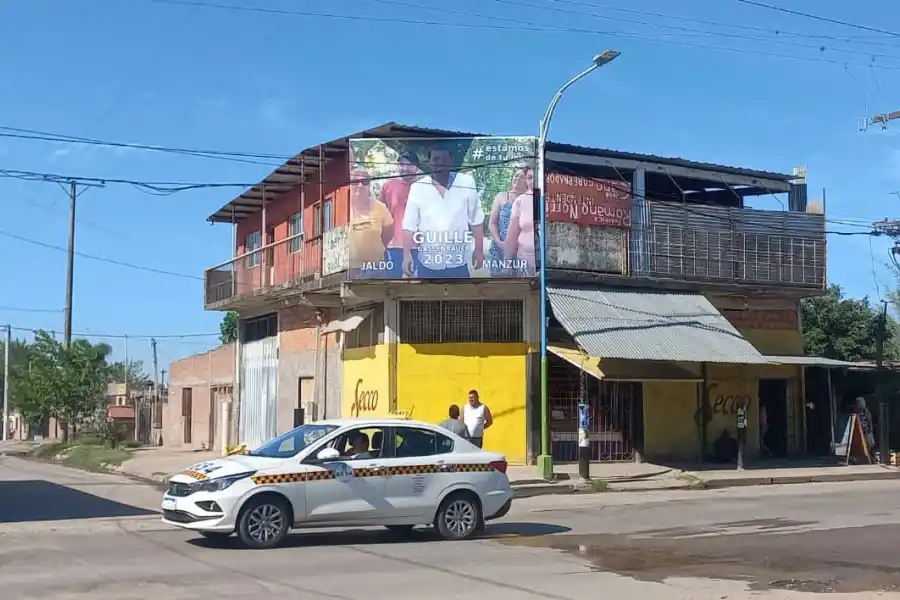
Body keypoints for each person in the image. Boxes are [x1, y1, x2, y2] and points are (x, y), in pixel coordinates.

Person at [402, 145, 485, 278]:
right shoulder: (418, 188)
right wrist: (406, 255)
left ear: (450, 161)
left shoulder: (466, 182)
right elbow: (408, 225)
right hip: (428, 262)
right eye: (436, 159)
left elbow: (476, 220)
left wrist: (479, 250)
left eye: (444, 159)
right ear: (429, 162)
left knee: (461, 298)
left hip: (458, 262)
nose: (440, 163)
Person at [380, 151, 420, 278]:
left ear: (416, 167)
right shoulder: (388, 186)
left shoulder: (426, 186)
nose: (405, 168)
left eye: (409, 164)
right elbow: (380, 216)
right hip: (394, 245)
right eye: (402, 164)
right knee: (395, 286)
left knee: (419, 287)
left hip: (419, 246)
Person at [348, 169, 394, 279]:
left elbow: (388, 234)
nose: (360, 185)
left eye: (365, 182)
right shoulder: (342, 208)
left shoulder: (380, 208)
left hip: (376, 269)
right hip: (350, 270)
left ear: (369, 186)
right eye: (355, 182)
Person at [488, 164, 532, 277]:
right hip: (499, 248)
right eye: (516, 175)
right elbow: (492, 223)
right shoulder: (501, 196)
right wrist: (498, 241)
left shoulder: (528, 200)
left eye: (521, 177)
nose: (517, 178)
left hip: (519, 251)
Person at [502, 176, 536, 277]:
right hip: (525, 262)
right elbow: (511, 237)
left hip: (551, 266)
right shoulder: (520, 201)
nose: (533, 180)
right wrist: (506, 266)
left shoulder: (557, 198)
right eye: (530, 177)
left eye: (536, 177)